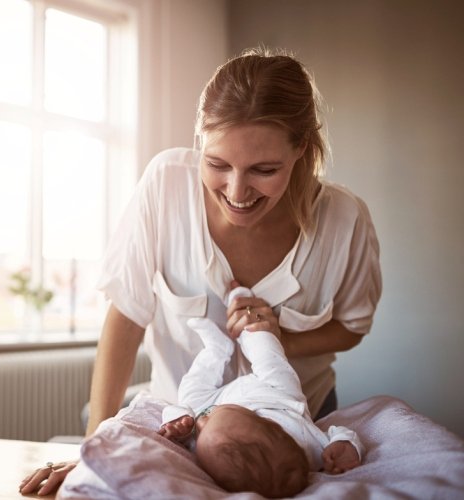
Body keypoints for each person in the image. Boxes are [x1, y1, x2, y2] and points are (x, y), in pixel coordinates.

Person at [19, 47, 381, 496]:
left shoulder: (345, 221)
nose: (236, 191)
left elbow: (351, 327)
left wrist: (282, 337)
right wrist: (94, 451)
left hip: (294, 433)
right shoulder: (165, 183)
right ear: (200, 143)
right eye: (217, 164)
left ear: (301, 149)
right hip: (179, 423)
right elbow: (127, 317)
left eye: (263, 170)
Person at [157, 285, 363, 498]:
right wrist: (345, 446)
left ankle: (216, 350)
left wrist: (176, 422)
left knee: (188, 395)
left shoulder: (209, 445)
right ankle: (245, 310)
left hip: (220, 401)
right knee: (267, 354)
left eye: (200, 434)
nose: (202, 421)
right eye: (208, 422)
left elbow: (180, 416)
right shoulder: (308, 446)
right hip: (276, 395)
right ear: (266, 423)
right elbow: (338, 434)